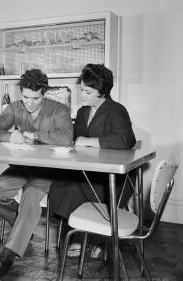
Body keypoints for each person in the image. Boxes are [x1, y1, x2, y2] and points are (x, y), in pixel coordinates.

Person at [0, 69, 73, 279]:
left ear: (44, 94)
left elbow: (67, 137)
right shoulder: (15, 107)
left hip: (48, 169)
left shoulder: (59, 109)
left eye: (36, 98)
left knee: (31, 195)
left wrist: (35, 136)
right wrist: (9, 136)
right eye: (26, 97)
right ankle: (24, 229)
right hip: (22, 167)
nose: (30, 103)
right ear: (20, 93)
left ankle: (7, 256)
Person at [48, 63, 137, 257]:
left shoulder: (116, 110)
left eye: (87, 92)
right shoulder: (82, 112)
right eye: (81, 90)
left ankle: (88, 239)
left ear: (102, 92)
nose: (82, 95)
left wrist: (88, 141)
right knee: (59, 185)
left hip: (114, 178)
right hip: (89, 171)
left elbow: (126, 140)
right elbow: (77, 143)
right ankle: (89, 237)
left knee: (75, 189)